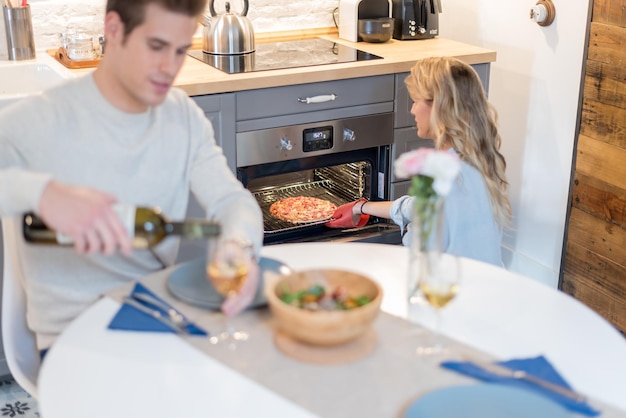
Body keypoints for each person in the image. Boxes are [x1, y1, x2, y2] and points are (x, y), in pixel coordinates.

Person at [0, 0, 263, 353]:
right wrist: (43, 193)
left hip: (156, 316)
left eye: (181, 51)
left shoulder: (181, 116)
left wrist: (240, 247)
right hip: (73, 339)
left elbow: (231, 200)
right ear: (114, 29)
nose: (169, 68)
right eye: (155, 46)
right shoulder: (42, 117)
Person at [327, 56, 511, 266]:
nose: (412, 110)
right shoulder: (475, 160)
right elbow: (417, 207)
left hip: (456, 292)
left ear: (439, 107)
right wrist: (361, 208)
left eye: (415, 101)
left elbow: (421, 259)